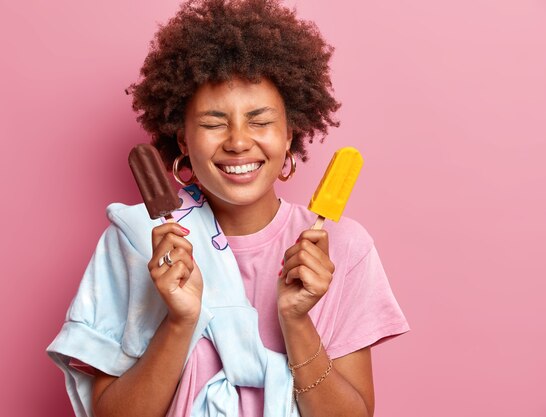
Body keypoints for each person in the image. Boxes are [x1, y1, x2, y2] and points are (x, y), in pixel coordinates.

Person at [47, 1, 409, 416]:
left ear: (290, 134)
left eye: (260, 121)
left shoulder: (342, 248)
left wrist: (296, 323)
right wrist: (180, 321)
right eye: (213, 122)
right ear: (182, 140)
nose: (238, 141)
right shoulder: (136, 242)